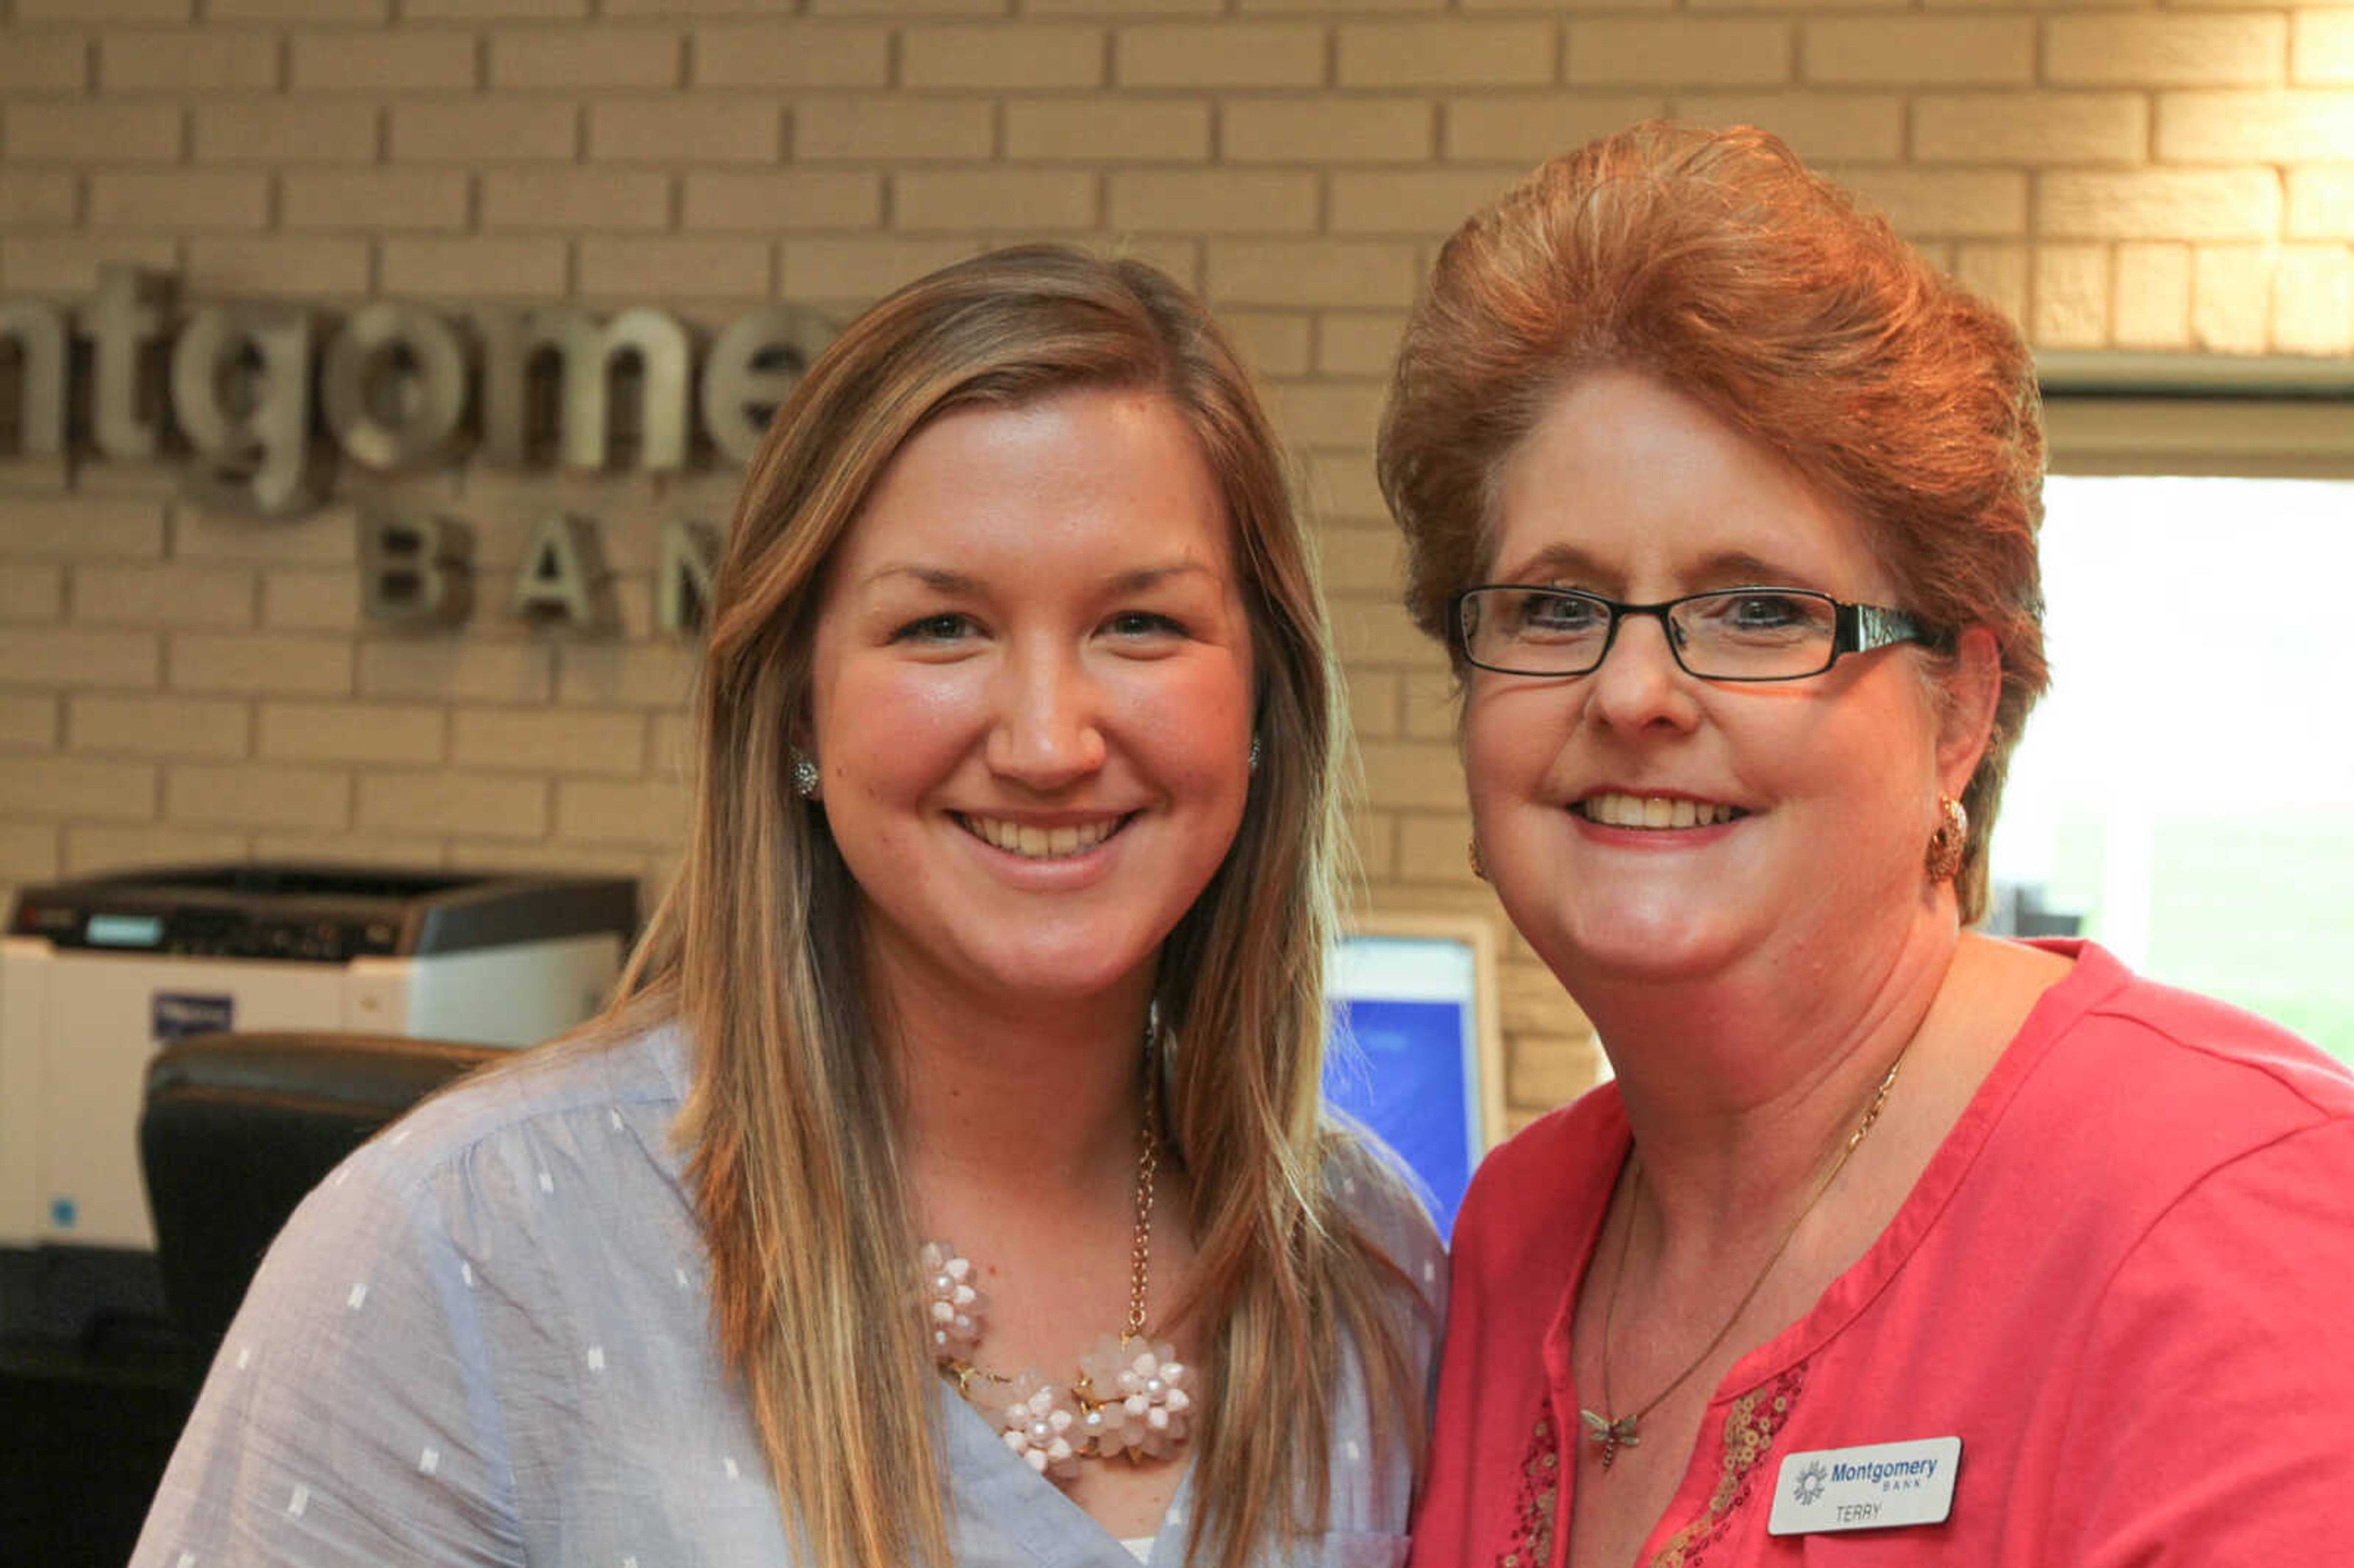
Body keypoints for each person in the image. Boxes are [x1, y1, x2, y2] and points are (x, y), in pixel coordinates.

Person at [135, 246, 1439, 1568]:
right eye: (942, 628)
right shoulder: (466, 1247)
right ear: (797, 711)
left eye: (1141, 624)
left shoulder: (1376, 1271)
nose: (1049, 739)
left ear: (1265, 706)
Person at [1377, 122, 2354, 1567]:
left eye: (1759, 609)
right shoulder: (1513, 1236)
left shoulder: (2233, 1219)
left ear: (1957, 709)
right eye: (1554, 605)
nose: (1635, 692)